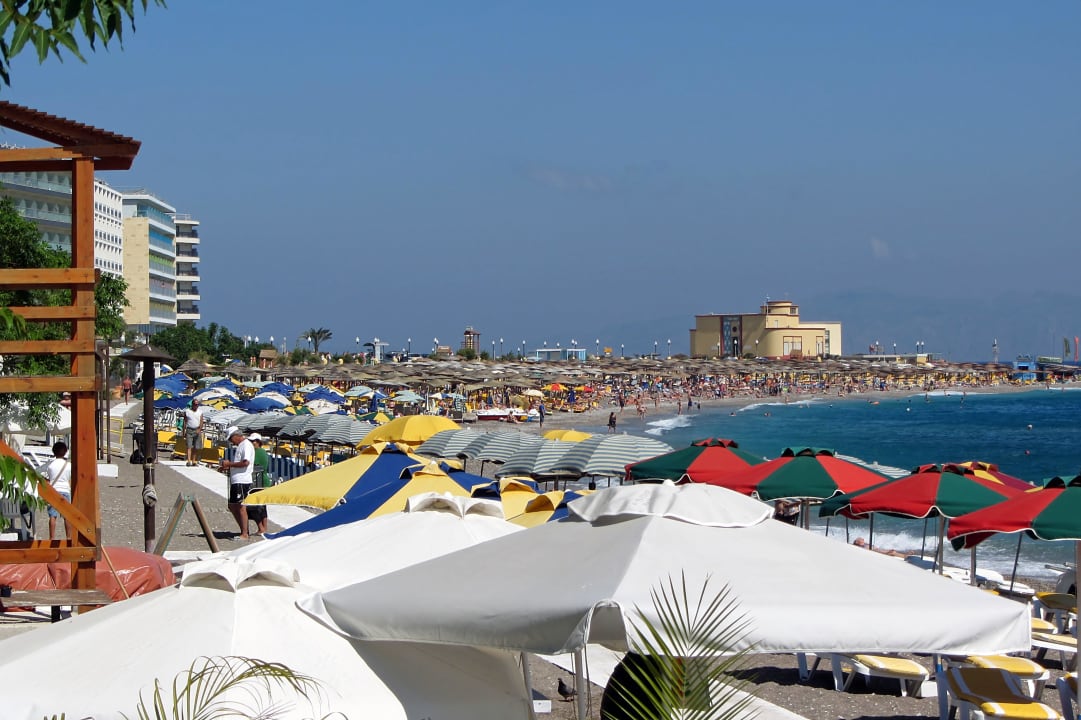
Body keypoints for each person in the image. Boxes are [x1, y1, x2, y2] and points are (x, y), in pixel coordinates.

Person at [219, 426, 255, 539]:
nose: (231, 442)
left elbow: (245, 463)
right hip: (236, 480)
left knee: (240, 506)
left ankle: (245, 533)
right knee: (232, 506)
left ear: (236, 436)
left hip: (242, 480)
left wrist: (229, 464)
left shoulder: (246, 445)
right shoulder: (241, 446)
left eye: (231, 439)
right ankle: (243, 530)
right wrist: (227, 467)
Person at [44, 441, 71, 540]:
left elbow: (47, 480)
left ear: (53, 452)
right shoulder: (68, 465)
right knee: (67, 516)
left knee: (52, 516)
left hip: (54, 490)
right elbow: (70, 479)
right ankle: (68, 537)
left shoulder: (50, 466)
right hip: (65, 490)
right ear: (65, 452)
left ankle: (52, 538)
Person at [246, 433, 270, 536]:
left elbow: (251, 466)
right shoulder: (263, 452)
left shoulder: (257, 452)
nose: (251, 443)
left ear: (258, 442)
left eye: (253, 441)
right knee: (262, 507)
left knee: (254, 507)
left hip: (258, 481)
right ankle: (264, 528)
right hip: (263, 481)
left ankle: (261, 528)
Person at [183, 399, 206, 467]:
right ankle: (189, 461)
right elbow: (185, 422)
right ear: (192, 405)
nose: (196, 406)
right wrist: (183, 431)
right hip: (189, 430)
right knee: (189, 446)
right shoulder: (187, 411)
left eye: (197, 405)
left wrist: (199, 429)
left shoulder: (200, 412)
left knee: (196, 447)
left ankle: (194, 461)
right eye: (195, 404)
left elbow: (201, 421)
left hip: (197, 430)